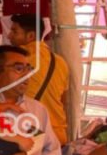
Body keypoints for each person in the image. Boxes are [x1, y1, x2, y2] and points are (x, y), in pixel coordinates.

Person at [7, 14, 70, 143]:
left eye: (14, 32)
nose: (9, 36)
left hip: (34, 134)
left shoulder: (18, 57)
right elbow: (64, 101)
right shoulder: (61, 62)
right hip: (58, 135)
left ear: (30, 36)